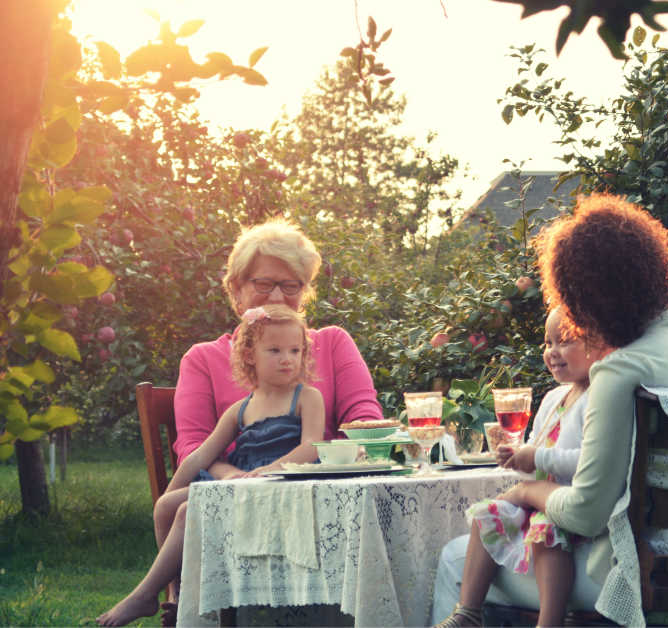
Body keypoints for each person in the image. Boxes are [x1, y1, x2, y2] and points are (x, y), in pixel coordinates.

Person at [430, 194, 668, 627]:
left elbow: (586, 513)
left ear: (587, 300)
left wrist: (527, 491)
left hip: (644, 574)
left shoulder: (622, 369)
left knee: (455, 559)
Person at [98, 304, 324, 626]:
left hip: (281, 488)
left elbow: (311, 447)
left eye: (295, 350)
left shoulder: (306, 397)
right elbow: (202, 455)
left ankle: (146, 594)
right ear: (249, 355)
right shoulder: (241, 409)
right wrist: (175, 489)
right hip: (242, 486)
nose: (287, 358)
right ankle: (176, 597)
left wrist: (270, 469)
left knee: (188, 511)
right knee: (167, 507)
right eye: (274, 350)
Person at [174, 217, 384, 482]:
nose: (276, 297)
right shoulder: (202, 359)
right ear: (237, 290)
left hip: (325, 486)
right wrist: (238, 478)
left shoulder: (334, 343)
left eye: (290, 285)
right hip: (236, 499)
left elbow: (365, 423)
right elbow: (194, 447)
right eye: (263, 284)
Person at [435, 306, 605, 627]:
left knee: (545, 532)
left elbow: (590, 460)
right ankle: (468, 612)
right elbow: (536, 459)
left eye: (564, 341)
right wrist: (519, 460)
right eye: (547, 343)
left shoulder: (598, 397)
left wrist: (536, 458)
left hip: (568, 502)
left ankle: (549, 621)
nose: (552, 352)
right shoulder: (554, 398)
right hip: (539, 497)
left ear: (598, 344)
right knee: (485, 515)